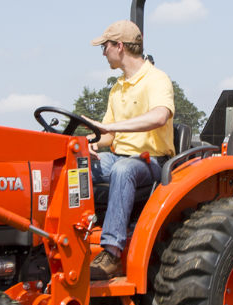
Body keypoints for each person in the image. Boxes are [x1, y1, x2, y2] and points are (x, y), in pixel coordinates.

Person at [84, 20, 176, 280]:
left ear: (120, 46)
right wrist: (87, 144)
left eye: (105, 47)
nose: (103, 53)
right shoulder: (117, 87)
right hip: (117, 156)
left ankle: (111, 253)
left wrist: (115, 126)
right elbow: (109, 135)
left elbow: (159, 116)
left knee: (123, 170)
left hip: (150, 162)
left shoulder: (157, 79)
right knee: (78, 166)